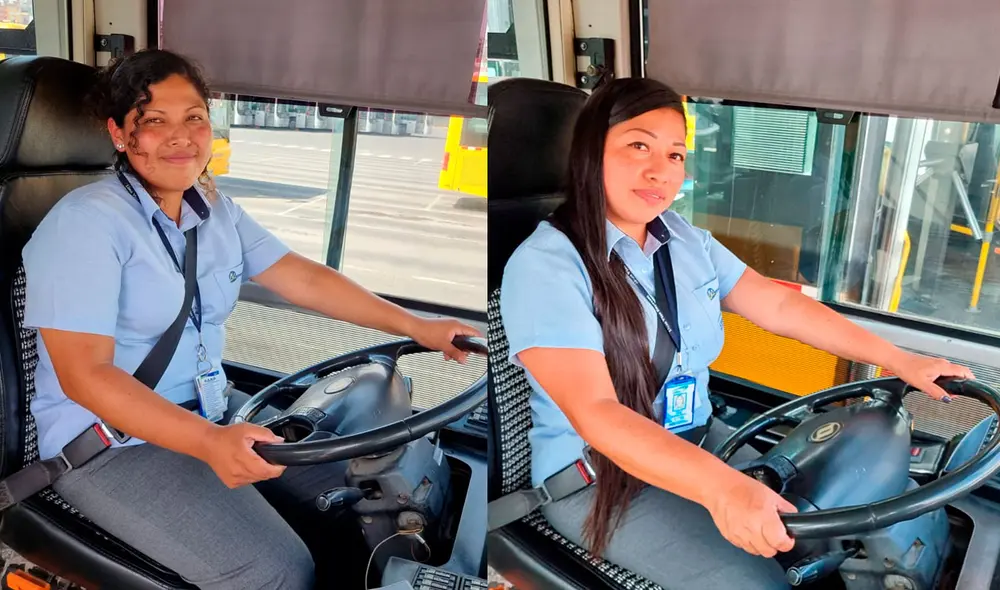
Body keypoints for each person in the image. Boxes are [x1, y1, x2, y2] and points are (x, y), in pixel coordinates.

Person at [21, 49, 480, 590]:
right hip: (113, 445)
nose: (181, 136)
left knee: (350, 508)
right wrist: (210, 443)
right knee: (277, 573)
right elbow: (86, 376)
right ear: (120, 134)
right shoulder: (84, 225)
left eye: (194, 117)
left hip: (210, 409)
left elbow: (302, 278)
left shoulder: (215, 210)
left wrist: (417, 325)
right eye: (153, 121)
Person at [499, 77, 973, 589]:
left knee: (829, 529)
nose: (661, 171)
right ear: (590, 153)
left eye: (676, 155)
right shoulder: (545, 267)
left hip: (698, 438)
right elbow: (598, 414)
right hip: (600, 481)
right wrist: (722, 489)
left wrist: (901, 360)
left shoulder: (685, 240)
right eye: (639, 145)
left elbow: (779, 306)